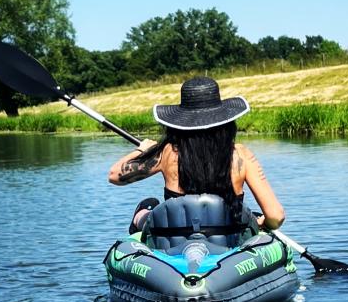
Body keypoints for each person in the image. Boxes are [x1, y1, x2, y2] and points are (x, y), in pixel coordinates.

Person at [108, 76, 286, 233]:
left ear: (178, 123)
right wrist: (262, 222)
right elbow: (276, 216)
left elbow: (115, 175)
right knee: (252, 215)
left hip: (175, 240)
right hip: (226, 238)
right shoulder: (241, 155)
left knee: (148, 207)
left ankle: (140, 221)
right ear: (226, 122)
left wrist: (143, 150)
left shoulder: (167, 152)